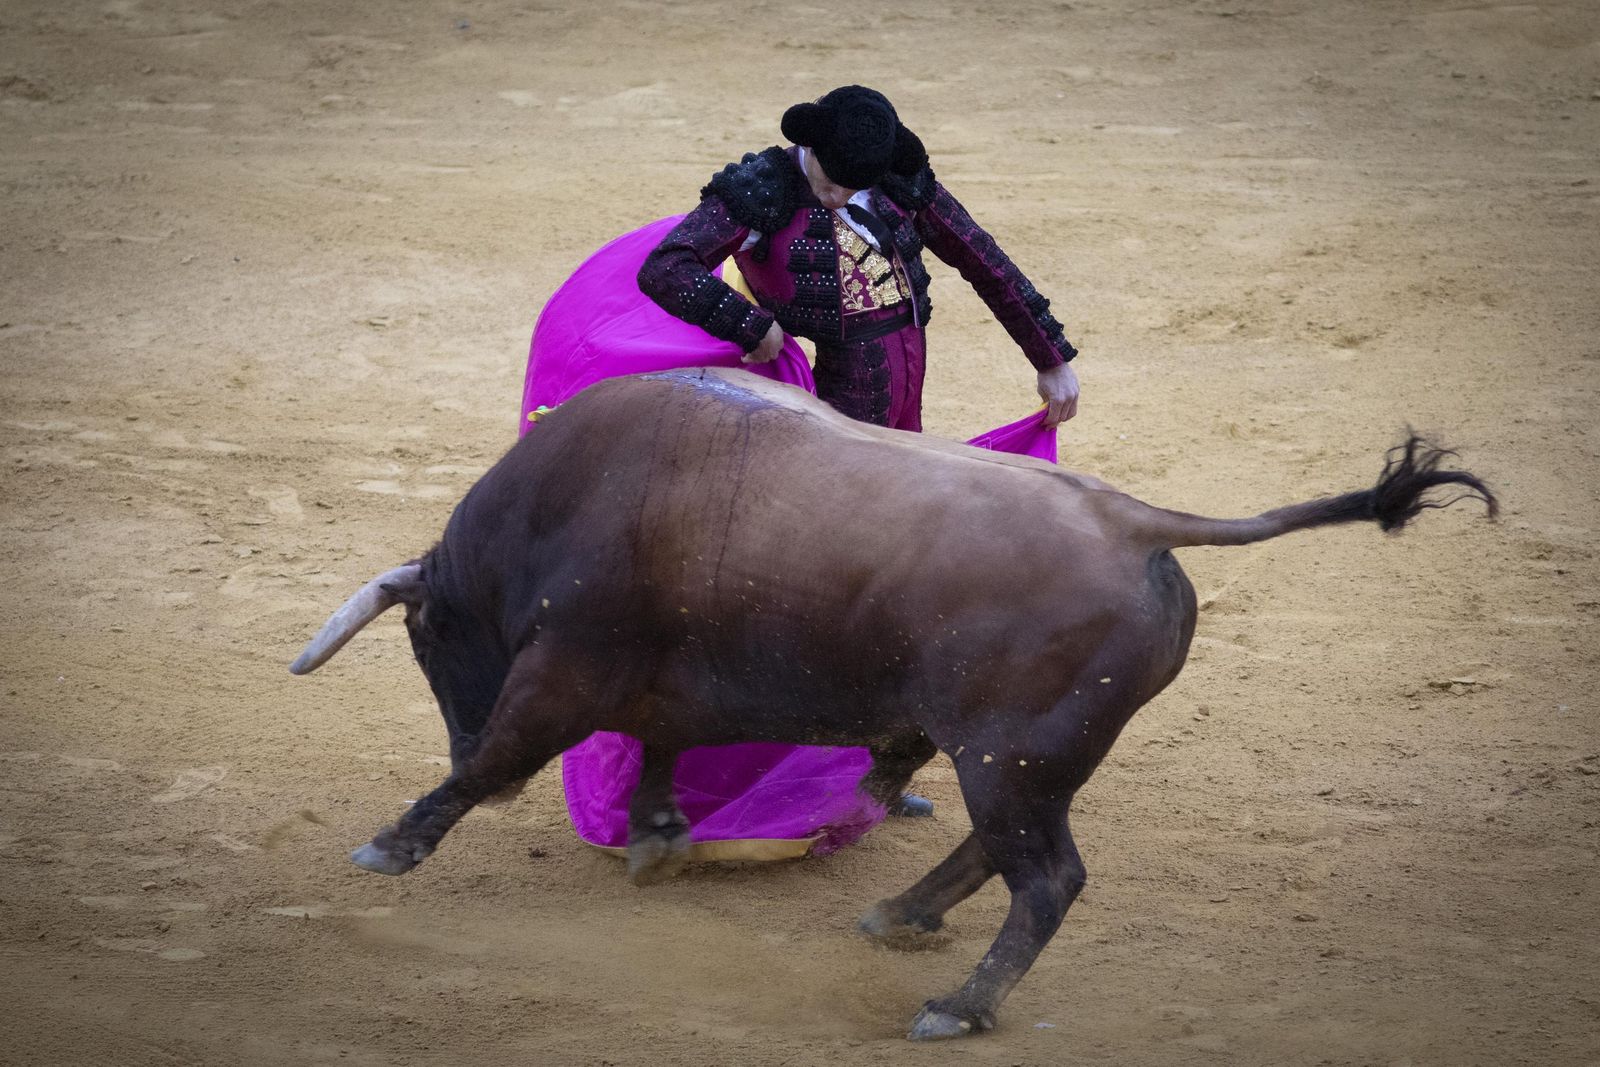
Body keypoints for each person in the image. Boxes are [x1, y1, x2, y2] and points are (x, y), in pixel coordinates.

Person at [637, 84, 1081, 433]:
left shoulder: (894, 177)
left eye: (854, 188)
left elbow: (983, 259)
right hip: (839, 390)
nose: (838, 198)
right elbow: (667, 267)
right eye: (831, 182)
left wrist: (1050, 357)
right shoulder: (763, 188)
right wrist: (749, 324)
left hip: (910, 372)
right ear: (811, 145)